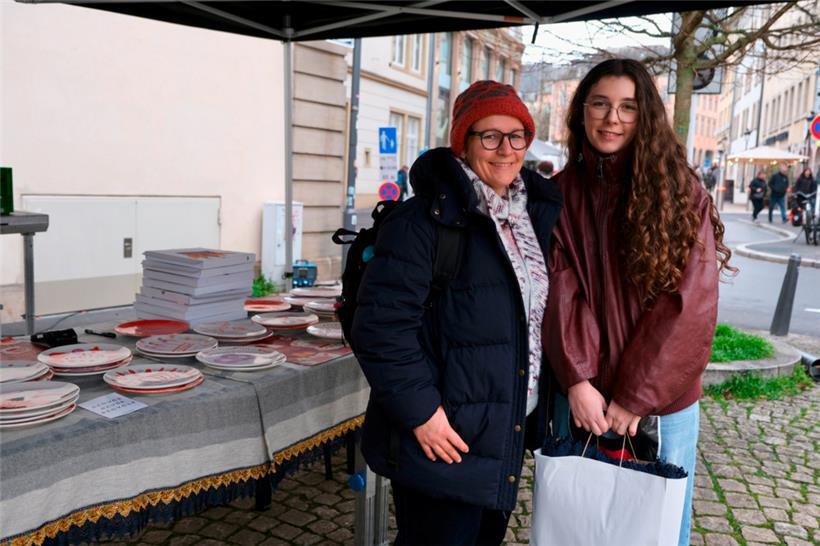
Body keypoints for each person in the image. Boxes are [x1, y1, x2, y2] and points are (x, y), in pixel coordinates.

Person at [351, 80, 562, 545]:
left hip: (504, 430)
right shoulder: (421, 223)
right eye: (489, 135)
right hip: (441, 437)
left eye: (516, 136)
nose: (505, 149)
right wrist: (422, 413)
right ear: (463, 143)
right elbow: (381, 328)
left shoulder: (533, 218)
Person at [542, 59, 734, 546]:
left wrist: (635, 395)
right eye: (601, 104)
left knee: (656, 528)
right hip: (582, 398)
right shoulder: (559, 194)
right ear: (582, 111)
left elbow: (688, 307)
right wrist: (578, 380)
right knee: (579, 523)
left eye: (628, 107)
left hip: (660, 404)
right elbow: (562, 291)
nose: (612, 118)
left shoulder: (680, 193)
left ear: (644, 116)